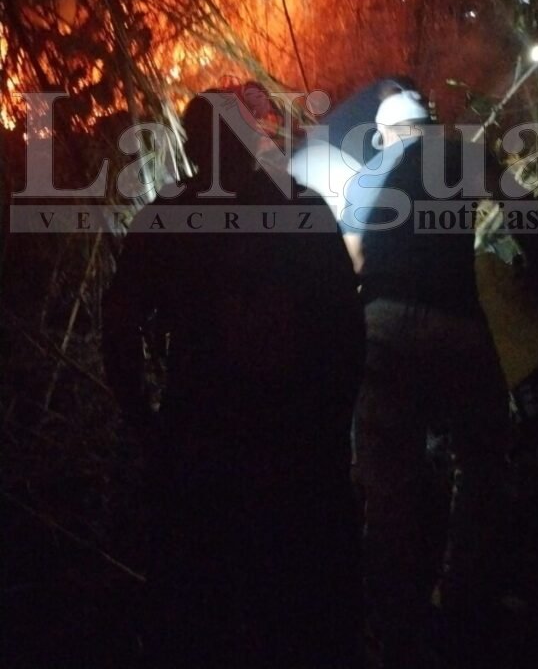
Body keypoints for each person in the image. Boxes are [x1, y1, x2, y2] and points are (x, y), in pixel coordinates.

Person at [102, 89, 366, 669]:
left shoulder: (168, 214)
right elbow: (347, 333)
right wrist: (329, 429)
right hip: (294, 459)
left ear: (193, 150)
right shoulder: (303, 208)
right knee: (301, 625)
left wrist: (146, 427)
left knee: (203, 626)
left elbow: (117, 323)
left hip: (201, 457)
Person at [342, 81, 510, 669]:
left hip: (382, 326)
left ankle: (396, 631)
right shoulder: (457, 152)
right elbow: (517, 203)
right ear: (429, 125)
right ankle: (461, 593)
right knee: (485, 456)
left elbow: (352, 264)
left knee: (389, 483)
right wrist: (530, 264)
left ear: (386, 135)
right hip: (455, 325)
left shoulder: (365, 179)